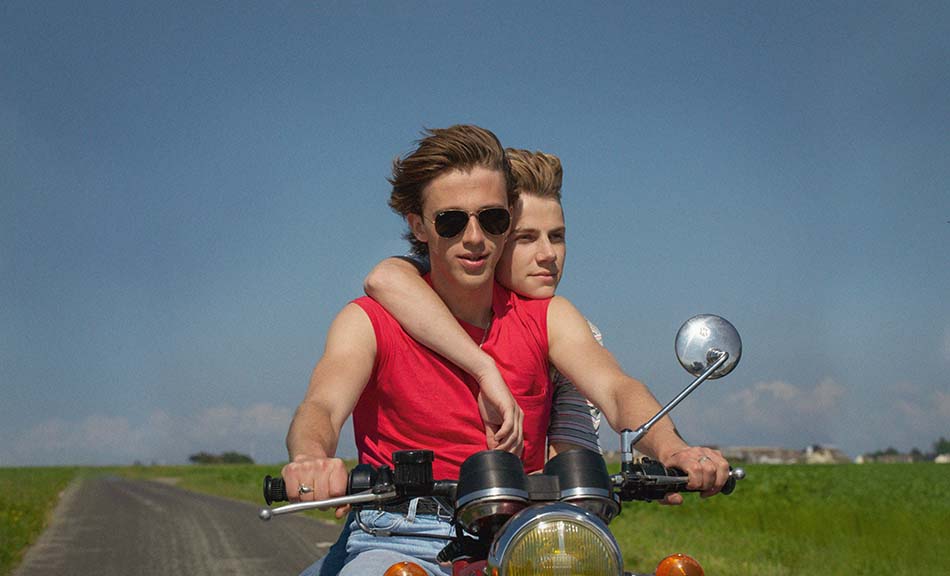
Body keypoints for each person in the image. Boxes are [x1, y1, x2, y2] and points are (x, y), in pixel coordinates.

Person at [285, 125, 730, 576]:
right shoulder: (368, 321)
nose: (474, 237)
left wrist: (673, 448)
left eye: (493, 219)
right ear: (418, 226)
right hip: (400, 535)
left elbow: (616, 389)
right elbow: (322, 405)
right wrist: (310, 459)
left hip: (524, 539)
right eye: (451, 221)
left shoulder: (548, 317)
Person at [365, 148, 603, 457]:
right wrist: (485, 367)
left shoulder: (575, 330)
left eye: (557, 236)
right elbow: (385, 277)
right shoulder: (431, 276)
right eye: (525, 238)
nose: (548, 255)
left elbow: (571, 458)